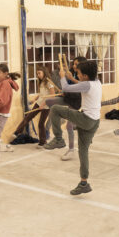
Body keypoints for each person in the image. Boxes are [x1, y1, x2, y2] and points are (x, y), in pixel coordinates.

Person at [43, 59, 102, 195]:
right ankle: (84, 183)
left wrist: (63, 77)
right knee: (83, 152)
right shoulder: (96, 82)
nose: (77, 75)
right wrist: (71, 78)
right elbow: (82, 84)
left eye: (79, 73)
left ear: (85, 76)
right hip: (94, 121)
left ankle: (59, 139)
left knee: (55, 109)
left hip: (85, 118)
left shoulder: (86, 84)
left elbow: (65, 88)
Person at [45, 56, 86, 161]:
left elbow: (78, 90)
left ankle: (71, 149)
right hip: (67, 98)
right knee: (49, 102)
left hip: (75, 102)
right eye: (74, 63)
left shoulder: (83, 76)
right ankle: (59, 136)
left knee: (69, 126)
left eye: (76, 64)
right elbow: (66, 86)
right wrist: (64, 91)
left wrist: (68, 84)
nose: (74, 66)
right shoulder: (70, 71)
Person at [12, 66, 57, 146]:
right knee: (28, 117)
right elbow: (42, 94)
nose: (38, 75)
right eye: (37, 74)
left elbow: (52, 96)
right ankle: (17, 132)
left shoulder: (49, 83)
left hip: (46, 106)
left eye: (39, 73)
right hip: (39, 103)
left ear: (44, 73)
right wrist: (35, 99)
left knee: (41, 123)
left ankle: (43, 142)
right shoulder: (41, 82)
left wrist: (44, 104)